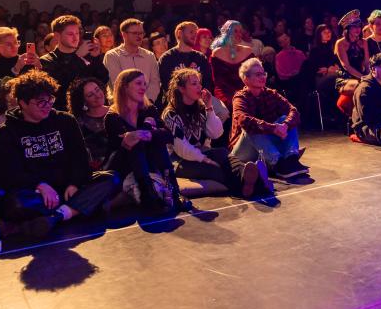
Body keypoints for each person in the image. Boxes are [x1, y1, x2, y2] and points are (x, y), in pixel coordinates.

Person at [0, 71, 121, 237]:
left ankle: (58, 216)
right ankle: (76, 208)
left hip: (67, 190)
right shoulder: (6, 132)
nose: (47, 106)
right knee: (15, 204)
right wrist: (40, 185)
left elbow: (80, 159)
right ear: (22, 103)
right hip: (36, 193)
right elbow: (7, 174)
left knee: (110, 179)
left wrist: (74, 183)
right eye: (40, 102)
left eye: (50, 100)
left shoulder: (65, 121)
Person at [162, 68, 267, 199]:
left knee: (223, 154)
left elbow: (216, 133)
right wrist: (204, 159)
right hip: (180, 161)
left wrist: (209, 107)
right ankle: (258, 184)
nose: (199, 87)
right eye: (194, 84)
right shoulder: (171, 114)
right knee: (216, 171)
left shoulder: (200, 108)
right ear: (182, 89)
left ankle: (250, 179)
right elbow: (182, 149)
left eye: (199, 83)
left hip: (202, 152)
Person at [105, 69, 186, 213]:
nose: (143, 87)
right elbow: (125, 143)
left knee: (155, 142)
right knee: (136, 145)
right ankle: (148, 195)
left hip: (147, 161)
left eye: (144, 84)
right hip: (123, 163)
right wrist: (148, 128)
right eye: (138, 83)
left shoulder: (149, 109)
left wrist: (149, 134)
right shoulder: (113, 116)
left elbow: (168, 135)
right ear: (124, 86)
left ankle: (175, 192)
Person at [229, 58, 305, 178]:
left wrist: (285, 125)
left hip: (265, 147)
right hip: (244, 151)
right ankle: (278, 164)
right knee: (251, 127)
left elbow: (293, 111)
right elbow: (243, 119)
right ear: (246, 79)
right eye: (258, 74)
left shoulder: (270, 93)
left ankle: (291, 159)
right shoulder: (240, 98)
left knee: (285, 118)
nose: (263, 77)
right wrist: (273, 128)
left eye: (263, 73)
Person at [38, 15, 108, 111]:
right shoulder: (46, 61)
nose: (75, 38)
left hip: (91, 111)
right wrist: (77, 57)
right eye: (70, 34)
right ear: (57, 36)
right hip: (65, 113)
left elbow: (103, 79)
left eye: (77, 33)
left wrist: (95, 58)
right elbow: (61, 88)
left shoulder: (85, 55)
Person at [103, 19, 160, 100]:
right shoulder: (112, 56)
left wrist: (146, 101)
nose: (139, 36)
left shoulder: (149, 56)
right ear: (124, 35)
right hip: (122, 104)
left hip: (147, 103)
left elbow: (155, 83)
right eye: (135, 33)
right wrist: (134, 102)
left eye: (141, 33)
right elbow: (117, 84)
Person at [0, 26, 40, 98]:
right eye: (8, 44)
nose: (14, 46)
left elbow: (38, 86)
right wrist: (16, 69)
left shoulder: (25, 59)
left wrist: (38, 66)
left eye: (15, 42)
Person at [209, 21, 257, 110]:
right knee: (234, 104)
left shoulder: (248, 51)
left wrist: (246, 90)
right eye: (235, 31)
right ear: (227, 33)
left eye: (240, 31)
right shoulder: (217, 53)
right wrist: (235, 93)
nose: (239, 34)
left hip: (246, 87)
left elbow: (254, 74)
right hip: (225, 90)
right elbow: (218, 80)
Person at [158, 21, 214, 94]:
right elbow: (167, 86)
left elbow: (207, 83)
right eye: (191, 32)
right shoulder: (167, 58)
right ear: (180, 33)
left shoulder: (201, 58)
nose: (194, 35)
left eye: (196, 33)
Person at [67, 77, 110, 170]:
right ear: (83, 101)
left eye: (97, 90)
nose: (97, 95)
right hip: (98, 171)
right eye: (90, 95)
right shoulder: (79, 122)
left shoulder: (117, 110)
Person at [334, 11, 369, 116]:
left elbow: (367, 62)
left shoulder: (364, 42)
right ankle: (358, 117)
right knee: (360, 85)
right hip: (345, 78)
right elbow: (346, 66)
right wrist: (363, 77)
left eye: (359, 26)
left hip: (361, 75)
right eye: (354, 26)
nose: (358, 29)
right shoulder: (340, 43)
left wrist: (369, 76)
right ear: (347, 28)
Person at [272, 30, 307, 102]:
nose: (285, 42)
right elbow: (281, 74)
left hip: (301, 78)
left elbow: (306, 67)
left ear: (289, 38)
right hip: (289, 81)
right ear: (280, 44)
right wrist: (292, 74)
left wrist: (299, 73)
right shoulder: (279, 56)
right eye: (282, 41)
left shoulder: (299, 53)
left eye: (286, 39)